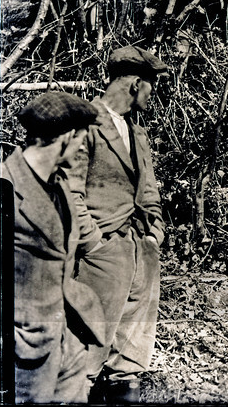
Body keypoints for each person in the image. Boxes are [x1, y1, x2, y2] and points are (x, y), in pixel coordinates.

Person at [64, 46, 169, 403]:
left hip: (142, 250)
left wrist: (155, 233)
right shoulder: (86, 122)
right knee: (86, 347)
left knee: (129, 359)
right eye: (151, 85)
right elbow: (70, 192)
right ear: (136, 83)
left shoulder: (136, 132)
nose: (153, 93)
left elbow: (149, 189)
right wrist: (93, 243)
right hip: (102, 252)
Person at [3, 91, 106, 403]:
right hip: (24, 352)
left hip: (67, 338)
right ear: (67, 136)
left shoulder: (59, 185)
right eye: (80, 140)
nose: (80, 149)